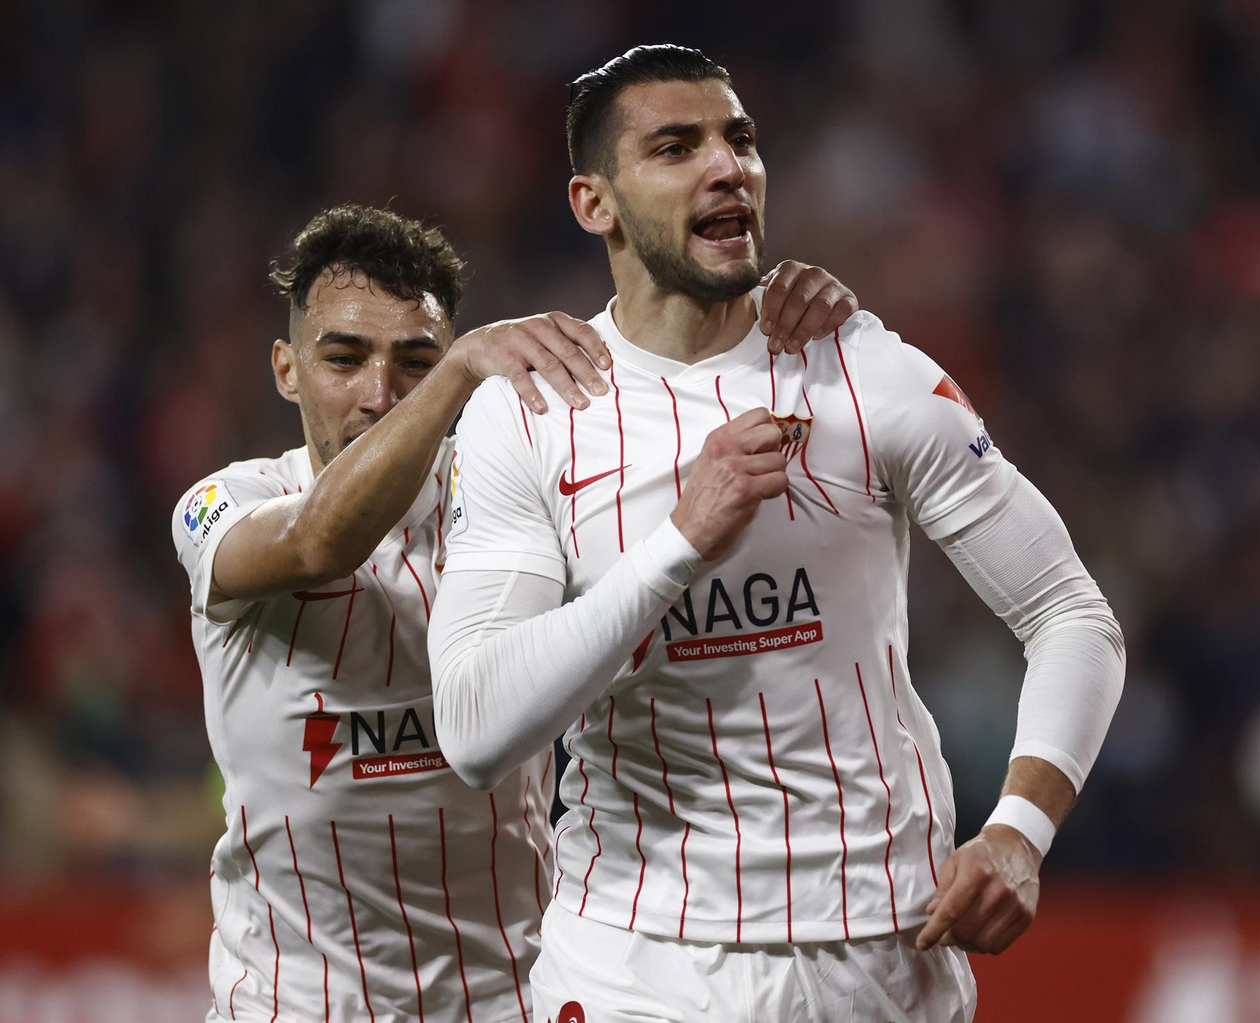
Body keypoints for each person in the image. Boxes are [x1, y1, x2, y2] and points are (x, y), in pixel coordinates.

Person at [429, 45, 1125, 1022]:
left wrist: (1018, 829)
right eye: (676, 147)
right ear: (596, 204)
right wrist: (678, 544)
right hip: (640, 961)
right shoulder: (532, 410)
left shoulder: (865, 371)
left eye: (739, 139)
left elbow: (1070, 613)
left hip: (882, 950)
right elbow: (473, 727)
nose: (727, 167)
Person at [170, 202, 860, 1023]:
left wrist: (782, 333)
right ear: (286, 369)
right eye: (344, 358)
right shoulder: (221, 503)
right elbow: (322, 541)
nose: (378, 392)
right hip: (292, 1008)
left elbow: (688, 472)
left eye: (414, 361)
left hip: (508, 1002)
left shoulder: (515, 502)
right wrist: (459, 371)